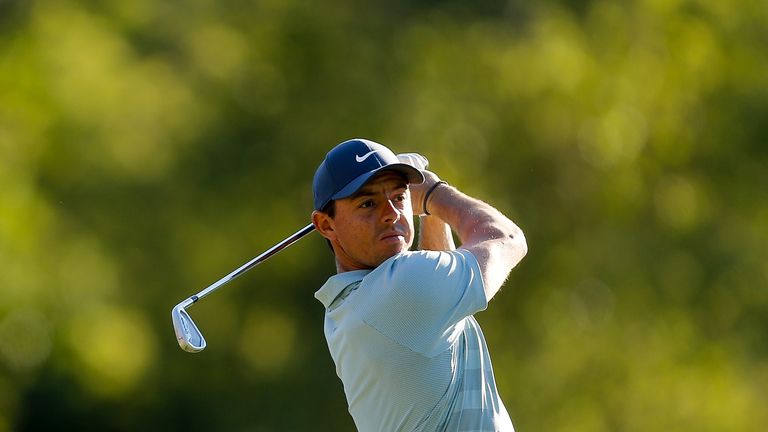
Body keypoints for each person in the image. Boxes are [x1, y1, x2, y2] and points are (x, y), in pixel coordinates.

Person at [311, 138, 527, 431]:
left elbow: (434, 275)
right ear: (326, 224)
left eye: (399, 197)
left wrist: (429, 215)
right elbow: (507, 239)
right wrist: (434, 195)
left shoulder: (344, 306)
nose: (391, 213)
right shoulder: (399, 288)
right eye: (368, 203)